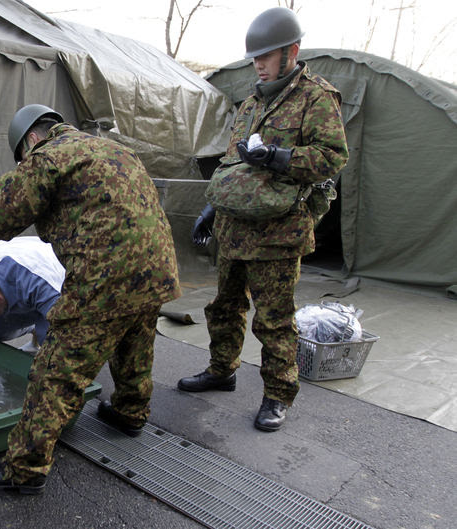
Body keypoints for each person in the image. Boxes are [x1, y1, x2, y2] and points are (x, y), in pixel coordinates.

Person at [0, 104, 181, 494]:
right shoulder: (115, 150)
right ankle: (129, 411)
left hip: (104, 274)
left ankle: (24, 467)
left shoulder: (47, 157)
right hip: (158, 266)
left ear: (31, 139)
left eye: (22, 156)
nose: (24, 162)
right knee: (135, 339)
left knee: (56, 371)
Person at [178, 7, 348, 432]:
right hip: (235, 227)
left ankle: (278, 394)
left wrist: (279, 156)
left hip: (278, 231)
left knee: (274, 318)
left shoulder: (316, 97)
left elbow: (332, 158)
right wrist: (211, 207)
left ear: (291, 52)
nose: (259, 63)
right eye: (255, 56)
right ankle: (222, 370)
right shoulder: (252, 102)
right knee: (224, 306)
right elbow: (232, 162)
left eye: (267, 55)